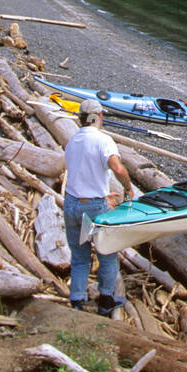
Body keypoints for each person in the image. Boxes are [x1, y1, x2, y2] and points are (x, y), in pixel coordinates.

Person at [62, 98, 134, 315]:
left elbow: (81, 174)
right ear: (97, 117)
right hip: (94, 208)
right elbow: (118, 169)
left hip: (72, 204)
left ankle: (76, 300)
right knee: (107, 254)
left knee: (80, 255)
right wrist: (128, 188)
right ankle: (105, 300)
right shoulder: (103, 140)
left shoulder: (72, 140)